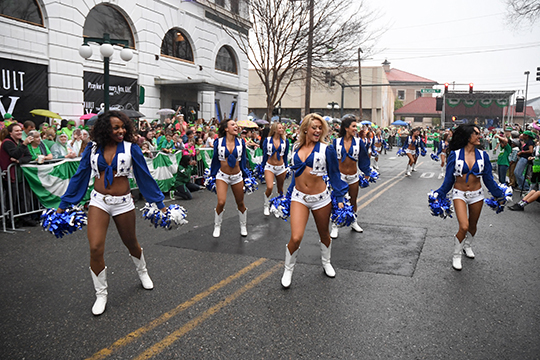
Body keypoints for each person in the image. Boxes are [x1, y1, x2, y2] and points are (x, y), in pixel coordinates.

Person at [58, 110, 166, 316]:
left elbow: (144, 176)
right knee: (96, 247)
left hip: (123, 203)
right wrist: (64, 204)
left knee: (131, 242)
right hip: (99, 201)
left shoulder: (131, 148)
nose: (121, 131)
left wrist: (160, 204)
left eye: (123, 127)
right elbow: (81, 175)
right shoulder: (92, 148)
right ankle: (101, 294)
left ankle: (142, 272)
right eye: (116, 127)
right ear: (105, 129)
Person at [281, 113, 348, 288]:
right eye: (314, 127)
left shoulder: (327, 149)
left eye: (320, 128)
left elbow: (334, 174)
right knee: (296, 237)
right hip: (299, 197)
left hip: (321, 199)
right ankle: (288, 269)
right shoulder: (295, 147)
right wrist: (287, 195)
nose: (318, 131)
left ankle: (326, 262)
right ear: (305, 129)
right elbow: (296, 175)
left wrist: (339, 198)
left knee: (324, 234)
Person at [434, 124, 505, 271]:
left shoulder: (483, 155)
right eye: (476, 134)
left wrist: (499, 195)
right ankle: (456, 255)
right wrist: (439, 194)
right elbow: (449, 179)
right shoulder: (455, 154)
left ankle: (467, 246)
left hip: (477, 195)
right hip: (459, 194)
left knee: (472, 226)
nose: (480, 136)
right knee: (464, 226)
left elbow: (488, 179)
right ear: (468, 136)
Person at [330, 114, 371, 238]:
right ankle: (335, 225)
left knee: (353, 200)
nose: (356, 129)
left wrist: (367, 172)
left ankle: (353, 222)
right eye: (353, 126)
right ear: (346, 128)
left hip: (353, 176)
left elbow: (364, 158)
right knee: (338, 201)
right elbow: (331, 160)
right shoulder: (336, 142)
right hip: (340, 177)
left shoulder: (359, 142)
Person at [209, 119, 250, 237]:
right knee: (221, 202)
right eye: (232, 125)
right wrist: (212, 176)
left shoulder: (241, 142)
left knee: (240, 202)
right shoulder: (219, 142)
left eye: (236, 125)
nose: (236, 126)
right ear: (226, 129)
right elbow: (215, 160)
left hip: (237, 176)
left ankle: (243, 225)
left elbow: (243, 161)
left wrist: (246, 175)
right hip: (222, 176)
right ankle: (217, 225)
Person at [0, 123, 37, 226]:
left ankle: (24, 217)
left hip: (21, 175)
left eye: (20, 130)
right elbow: (14, 154)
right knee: (13, 198)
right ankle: (11, 220)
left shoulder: (20, 142)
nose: (20, 132)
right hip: (10, 176)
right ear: (10, 133)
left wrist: (19, 161)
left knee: (24, 197)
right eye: (16, 131)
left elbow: (29, 157)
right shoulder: (7, 143)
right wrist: (24, 145)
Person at [260, 122, 289, 216]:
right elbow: (265, 154)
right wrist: (262, 166)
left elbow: (285, 155)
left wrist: (286, 166)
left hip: (281, 167)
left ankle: (279, 206)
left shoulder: (285, 141)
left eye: (282, 128)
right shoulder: (267, 140)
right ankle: (266, 204)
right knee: (269, 187)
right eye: (280, 128)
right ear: (275, 129)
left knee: (280, 189)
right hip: (269, 166)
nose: (282, 129)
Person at [508, 137, 540, 211]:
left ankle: (521, 205)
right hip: (537, 168)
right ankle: (520, 204)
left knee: (538, 192)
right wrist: (533, 158)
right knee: (533, 190)